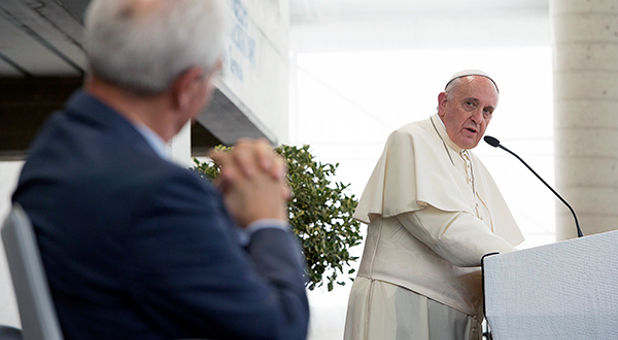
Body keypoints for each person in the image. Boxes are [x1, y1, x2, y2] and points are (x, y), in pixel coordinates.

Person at [11, 0, 309, 339]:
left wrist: (213, 216)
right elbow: (279, 330)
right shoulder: (158, 194)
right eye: (215, 73)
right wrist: (266, 220)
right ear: (187, 87)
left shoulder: (56, 145)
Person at [343, 70, 524, 340]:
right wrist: (520, 263)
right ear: (443, 103)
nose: (478, 118)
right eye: (470, 104)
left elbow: (491, 241)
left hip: (459, 314)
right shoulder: (411, 138)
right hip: (404, 302)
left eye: (487, 111)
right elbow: (443, 228)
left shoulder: (478, 168)